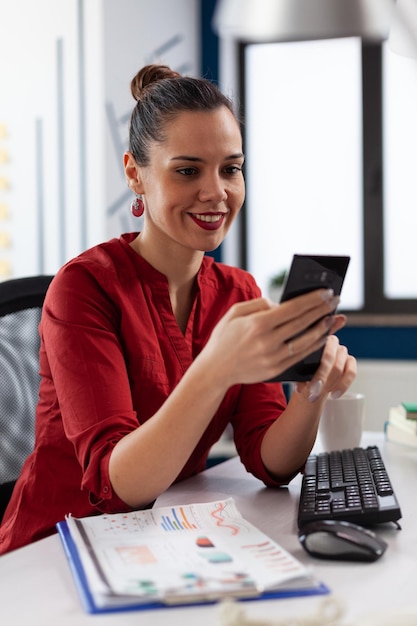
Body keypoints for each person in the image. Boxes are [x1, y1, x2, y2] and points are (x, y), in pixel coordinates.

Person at [0, 64, 356, 554]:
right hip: (56, 548)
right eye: (188, 170)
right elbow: (118, 486)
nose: (216, 192)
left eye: (231, 168)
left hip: (164, 540)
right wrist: (214, 370)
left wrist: (310, 391)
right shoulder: (84, 287)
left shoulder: (238, 292)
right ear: (135, 174)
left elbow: (270, 461)